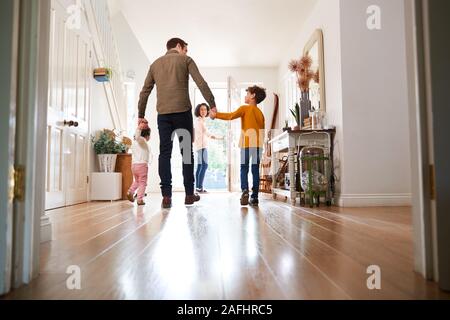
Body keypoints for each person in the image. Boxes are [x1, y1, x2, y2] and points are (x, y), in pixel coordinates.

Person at [137, 38, 216, 208]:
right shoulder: (185, 60)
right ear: (179, 46)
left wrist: (141, 115)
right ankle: (189, 194)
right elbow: (200, 83)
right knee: (186, 153)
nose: (186, 53)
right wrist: (212, 103)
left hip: (163, 114)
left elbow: (145, 92)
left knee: (164, 153)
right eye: (185, 49)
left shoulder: (155, 64)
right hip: (182, 113)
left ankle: (166, 197)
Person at [210, 86, 266, 206]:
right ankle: (255, 197)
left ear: (253, 96)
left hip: (246, 144)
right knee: (255, 169)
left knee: (244, 167)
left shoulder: (244, 108)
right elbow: (262, 131)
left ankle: (245, 190)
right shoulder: (260, 113)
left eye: (247, 93)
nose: (245, 96)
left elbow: (230, 116)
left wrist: (216, 115)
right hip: (257, 145)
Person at [194, 103, 223, 193]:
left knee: (200, 166)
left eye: (205, 109)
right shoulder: (200, 121)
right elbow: (207, 133)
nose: (203, 111)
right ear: (198, 111)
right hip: (202, 146)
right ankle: (199, 187)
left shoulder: (200, 120)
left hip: (200, 146)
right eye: (201, 109)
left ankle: (198, 187)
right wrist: (219, 138)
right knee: (204, 165)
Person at [127, 120, 151, 206]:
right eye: (149, 135)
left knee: (137, 181)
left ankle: (130, 191)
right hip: (142, 166)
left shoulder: (135, 143)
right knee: (143, 183)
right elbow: (138, 136)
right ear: (146, 135)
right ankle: (140, 199)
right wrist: (139, 128)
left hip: (134, 166)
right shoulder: (142, 141)